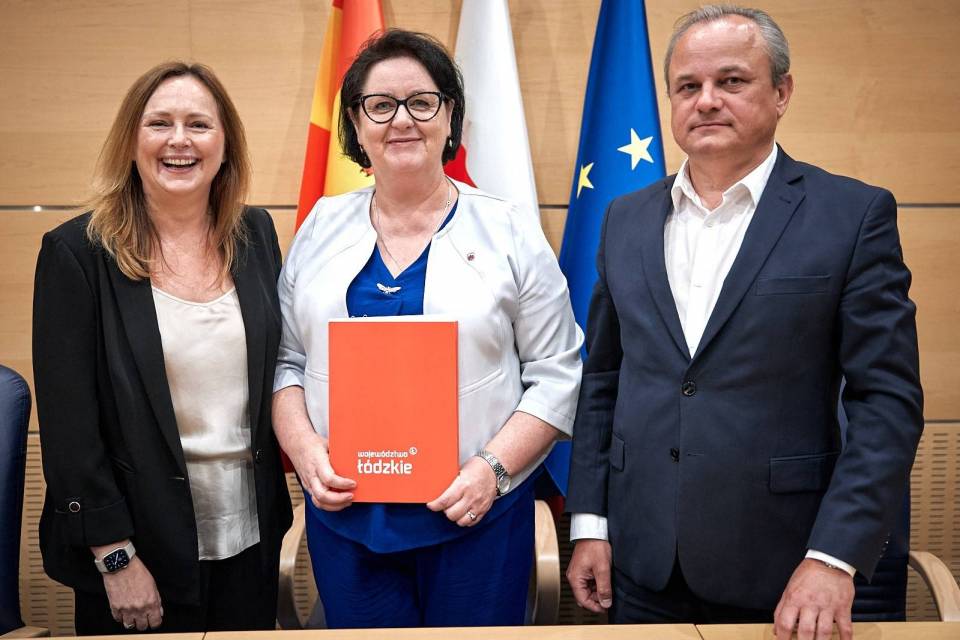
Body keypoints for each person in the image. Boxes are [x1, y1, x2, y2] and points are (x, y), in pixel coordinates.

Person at [564, 5, 923, 640]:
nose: (706, 100)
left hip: (787, 571)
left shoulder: (852, 215)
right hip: (641, 564)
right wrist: (591, 523)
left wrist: (833, 557)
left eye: (731, 81)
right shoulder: (625, 219)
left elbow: (886, 402)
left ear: (782, 92)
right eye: (687, 86)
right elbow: (604, 381)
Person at [273, 29, 582, 628]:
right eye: (380, 105)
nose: (401, 120)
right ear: (355, 125)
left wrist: (492, 471)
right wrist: (305, 451)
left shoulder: (509, 230)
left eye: (421, 102)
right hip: (347, 520)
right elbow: (287, 363)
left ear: (450, 117)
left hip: (477, 517)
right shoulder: (318, 228)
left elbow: (557, 372)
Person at [33, 61, 292, 634]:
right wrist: (115, 556)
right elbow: (70, 430)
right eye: (159, 123)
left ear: (225, 144)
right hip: (137, 553)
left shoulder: (256, 235)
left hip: (250, 539)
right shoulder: (77, 254)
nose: (180, 140)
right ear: (131, 141)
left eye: (199, 124)